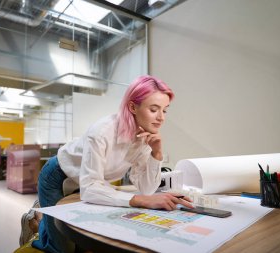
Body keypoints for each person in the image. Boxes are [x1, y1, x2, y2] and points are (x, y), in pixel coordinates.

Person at [20, 75, 193, 253]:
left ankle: (46, 218)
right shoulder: (102, 131)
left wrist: (156, 153)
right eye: (154, 109)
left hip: (88, 180)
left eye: (165, 110)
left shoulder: (145, 138)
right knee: (61, 249)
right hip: (58, 176)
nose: (161, 118)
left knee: (81, 242)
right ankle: (36, 219)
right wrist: (140, 200)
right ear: (133, 107)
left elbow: (147, 189)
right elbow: (90, 190)